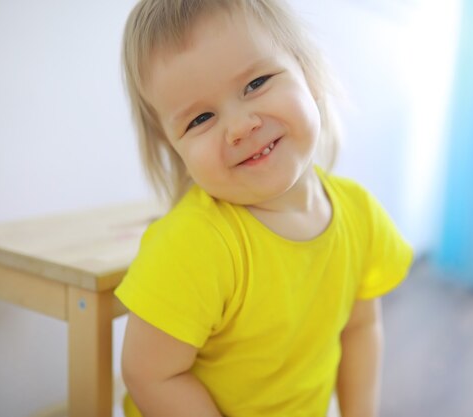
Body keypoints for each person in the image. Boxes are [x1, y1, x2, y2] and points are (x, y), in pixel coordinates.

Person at [115, 1, 413, 416]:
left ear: (308, 72)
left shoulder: (359, 214)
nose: (240, 127)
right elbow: (149, 374)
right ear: (174, 147)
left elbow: (360, 327)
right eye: (200, 118)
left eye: (255, 83)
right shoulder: (194, 244)